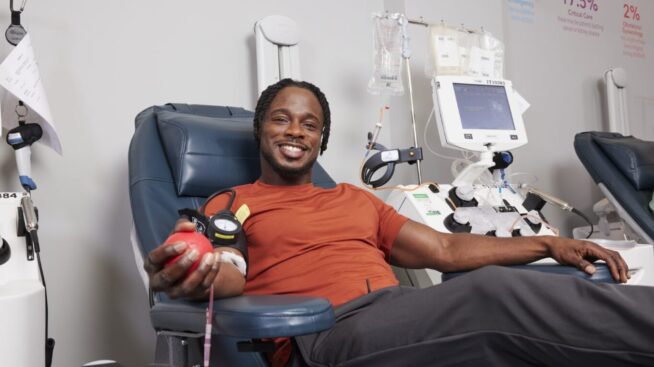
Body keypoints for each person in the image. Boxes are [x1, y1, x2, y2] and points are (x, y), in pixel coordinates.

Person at [143, 78, 654, 367]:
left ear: (321, 140)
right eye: (281, 118)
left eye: (310, 123)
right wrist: (196, 272)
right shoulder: (231, 202)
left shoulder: (356, 200)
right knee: (492, 295)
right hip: (322, 335)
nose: (295, 130)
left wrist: (548, 245)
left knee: (514, 304)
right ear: (260, 130)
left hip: (395, 314)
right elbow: (227, 266)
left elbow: (447, 252)